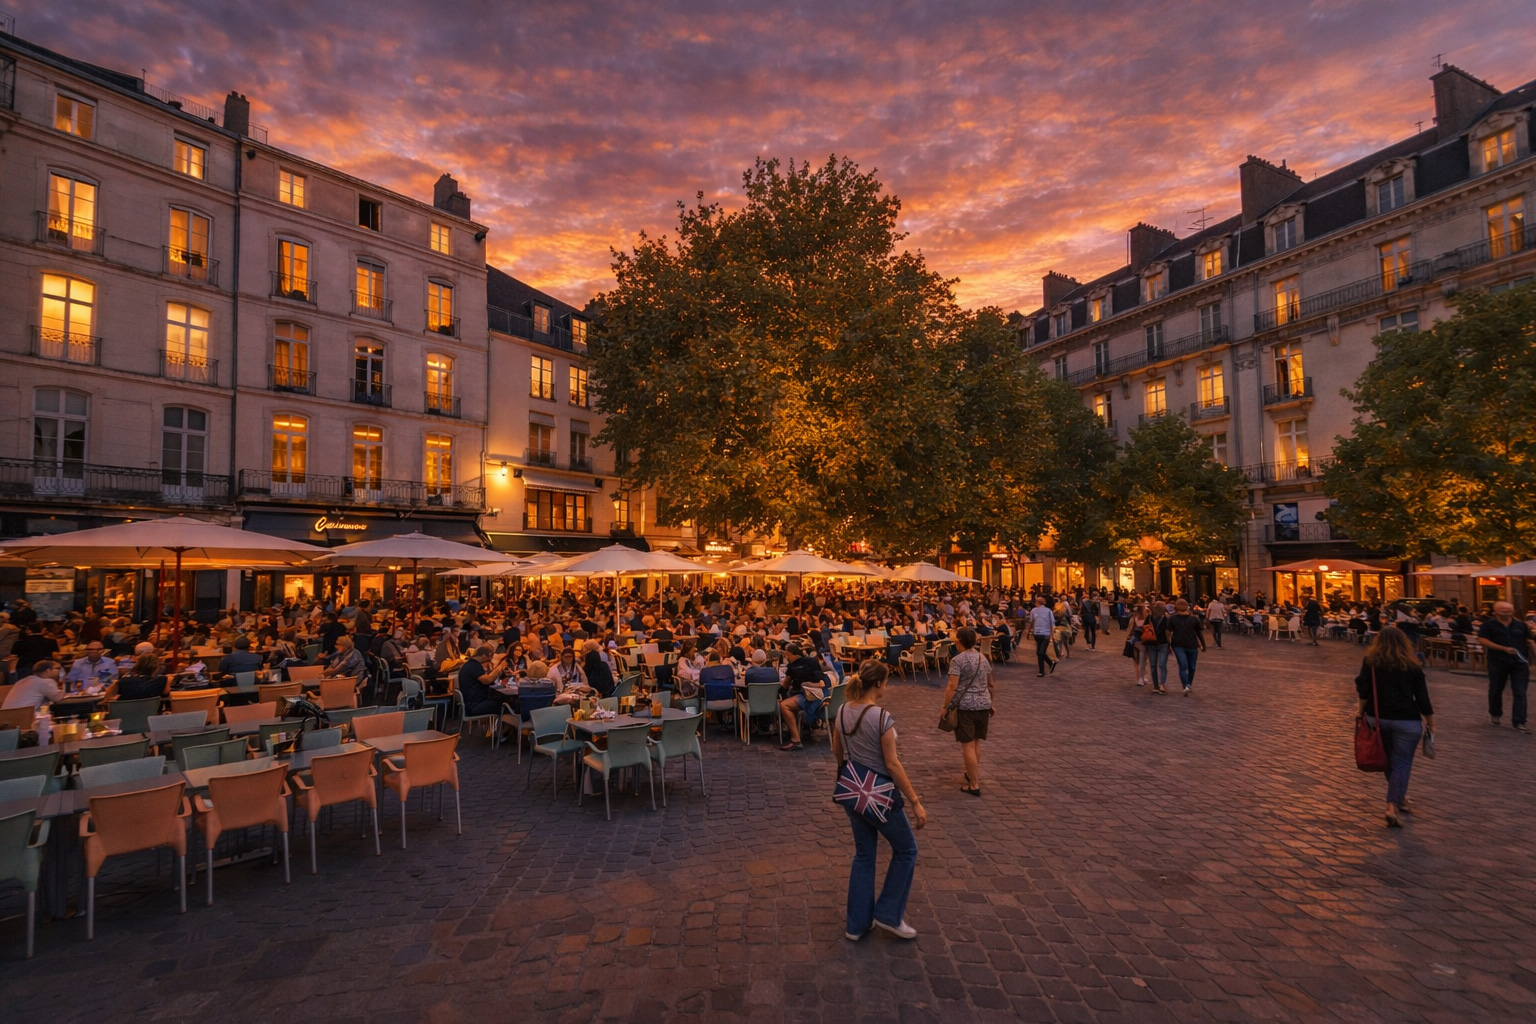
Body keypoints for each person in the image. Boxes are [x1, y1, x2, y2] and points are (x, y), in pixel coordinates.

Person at [832, 659, 925, 942]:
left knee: (864, 854)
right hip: (880, 795)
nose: (888, 686)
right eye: (886, 682)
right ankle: (888, 913)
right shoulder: (881, 717)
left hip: (853, 791)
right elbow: (893, 764)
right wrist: (915, 800)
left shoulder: (841, 710)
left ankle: (857, 924)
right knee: (907, 849)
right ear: (877, 685)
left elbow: (837, 751)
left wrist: (849, 775)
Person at [1355, 627, 1435, 827]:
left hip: (1378, 719)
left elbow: (1363, 689)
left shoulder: (1371, 663)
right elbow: (1423, 698)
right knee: (1401, 763)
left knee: (1390, 762)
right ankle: (1392, 805)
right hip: (1406, 720)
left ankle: (1401, 799)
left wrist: (1360, 711)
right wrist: (1431, 721)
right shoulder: (1413, 667)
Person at [943, 627, 995, 795]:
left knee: (967, 745)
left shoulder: (958, 660)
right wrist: (990, 702)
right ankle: (971, 774)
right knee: (977, 742)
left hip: (966, 706)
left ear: (959, 641)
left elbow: (952, 686)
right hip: (983, 704)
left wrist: (946, 706)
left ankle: (974, 783)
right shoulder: (982, 658)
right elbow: (991, 684)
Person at [1478, 601, 1533, 733]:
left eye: (1509, 610)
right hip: (1497, 661)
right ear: (1495, 612)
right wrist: (1503, 648)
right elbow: (1483, 640)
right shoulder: (1489, 625)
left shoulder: (1521, 625)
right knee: (1496, 688)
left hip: (1519, 662)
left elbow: (1529, 641)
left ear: (1513, 611)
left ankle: (1519, 721)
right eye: (1503, 611)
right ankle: (1495, 713)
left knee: (1520, 691)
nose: (1506, 613)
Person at [778, 643, 827, 750]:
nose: (786, 656)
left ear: (791, 654)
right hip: (822, 695)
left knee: (784, 705)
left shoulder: (792, 667)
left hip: (808, 696)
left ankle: (795, 739)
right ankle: (800, 730)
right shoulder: (813, 661)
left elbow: (786, 685)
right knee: (791, 701)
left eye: (787, 654)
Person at [1167, 599, 1206, 696]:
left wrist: (1203, 644)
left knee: (1192, 667)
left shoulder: (1194, 619)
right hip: (1178, 645)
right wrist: (1170, 643)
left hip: (1192, 645)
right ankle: (1186, 685)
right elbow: (1168, 632)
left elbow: (1199, 633)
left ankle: (1188, 684)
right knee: (1183, 665)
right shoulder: (1173, 619)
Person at [458, 645, 509, 719]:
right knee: (507, 704)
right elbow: (487, 680)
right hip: (475, 706)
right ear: (484, 656)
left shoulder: (469, 664)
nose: (489, 661)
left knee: (501, 699)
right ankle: (504, 729)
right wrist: (500, 667)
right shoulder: (474, 666)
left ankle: (498, 729)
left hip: (470, 704)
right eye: (490, 658)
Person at [1141, 603, 1172, 695]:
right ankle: (1160, 685)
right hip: (1161, 643)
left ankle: (1158, 685)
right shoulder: (1165, 618)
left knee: (1154, 665)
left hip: (1153, 643)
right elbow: (1168, 632)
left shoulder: (1150, 618)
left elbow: (1144, 629)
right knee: (1161, 665)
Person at [1027, 595, 1055, 678]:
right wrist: (1052, 634)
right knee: (1040, 652)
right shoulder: (1049, 611)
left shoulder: (1034, 611)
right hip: (1045, 633)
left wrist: (1029, 631)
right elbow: (1052, 623)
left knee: (1040, 652)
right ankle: (1050, 663)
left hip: (1038, 632)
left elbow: (1031, 622)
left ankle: (1041, 671)